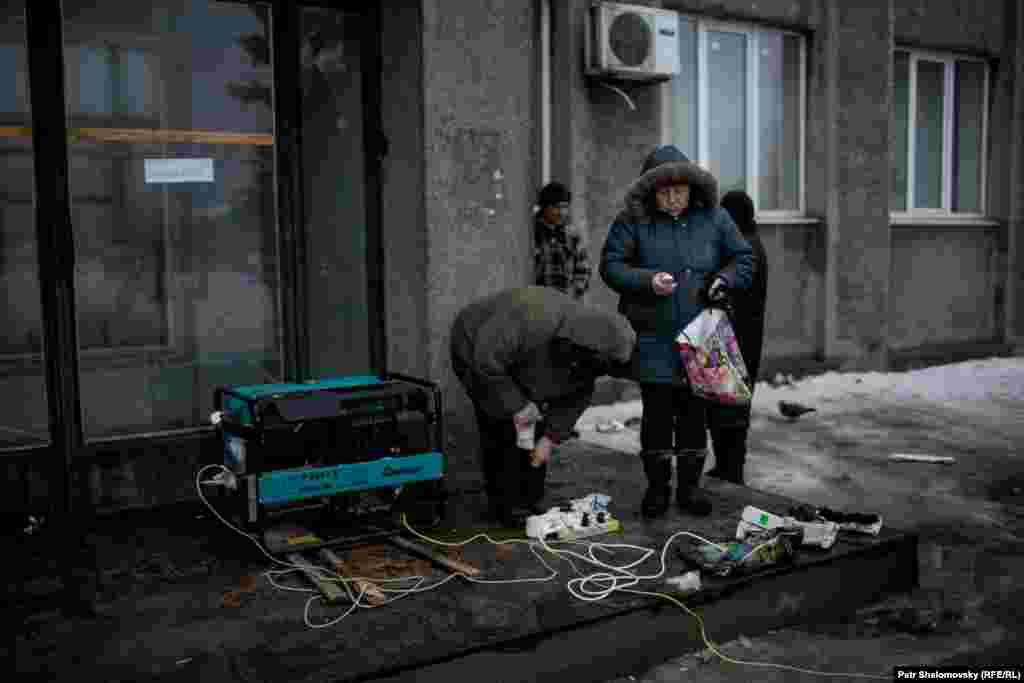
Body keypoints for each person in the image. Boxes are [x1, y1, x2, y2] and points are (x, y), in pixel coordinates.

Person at [599, 145, 753, 519]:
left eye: (679, 190)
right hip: (653, 337)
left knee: (694, 415)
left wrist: (724, 279)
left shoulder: (715, 219)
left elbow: (743, 258)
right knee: (656, 415)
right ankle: (656, 489)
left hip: (702, 335)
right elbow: (611, 266)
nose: (672, 198)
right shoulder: (631, 221)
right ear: (651, 192)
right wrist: (647, 280)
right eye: (664, 191)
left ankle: (690, 488)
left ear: (691, 188)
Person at [450, 286, 636, 526]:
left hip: (524, 358)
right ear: (582, 347)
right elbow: (487, 362)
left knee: (535, 429)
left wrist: (550, 438)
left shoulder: (587, 350)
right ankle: (506, 504)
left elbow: (576, 394)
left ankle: (529, 498)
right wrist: (518, 405)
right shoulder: (530, 321)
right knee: (502, 422)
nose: (597, 371)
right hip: (475, 343)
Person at [705, 190, 769, 486]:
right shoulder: (746, 243)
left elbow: (730, 289)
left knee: (730, 408)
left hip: (737, 340)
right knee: (725, 405)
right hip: (738, 338)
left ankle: (731, 471)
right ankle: (726, 467)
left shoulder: (747, 250)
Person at [534, 182, 592, 300]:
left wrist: (574, 292)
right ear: (544, 207)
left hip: (563, 304)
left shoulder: (572, 236)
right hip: (534, 301)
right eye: (556, 207)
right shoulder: (531, 232)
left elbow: (584, 270)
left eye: (565, 207)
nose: (561, 212)